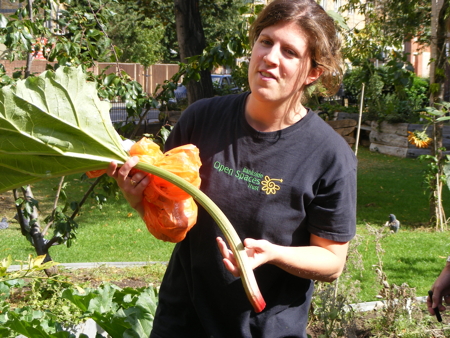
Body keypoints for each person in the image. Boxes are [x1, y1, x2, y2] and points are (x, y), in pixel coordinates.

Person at [107, 0, 356, 336]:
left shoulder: (328, 154)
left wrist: (274, 254)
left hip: (264, 329)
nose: (270, 57)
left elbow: (332, 262)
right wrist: (140, 201)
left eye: (290, 52)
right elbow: (173, 221)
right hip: (182, 321)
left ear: (313, 72)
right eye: (265, 41)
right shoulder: (202, 118)